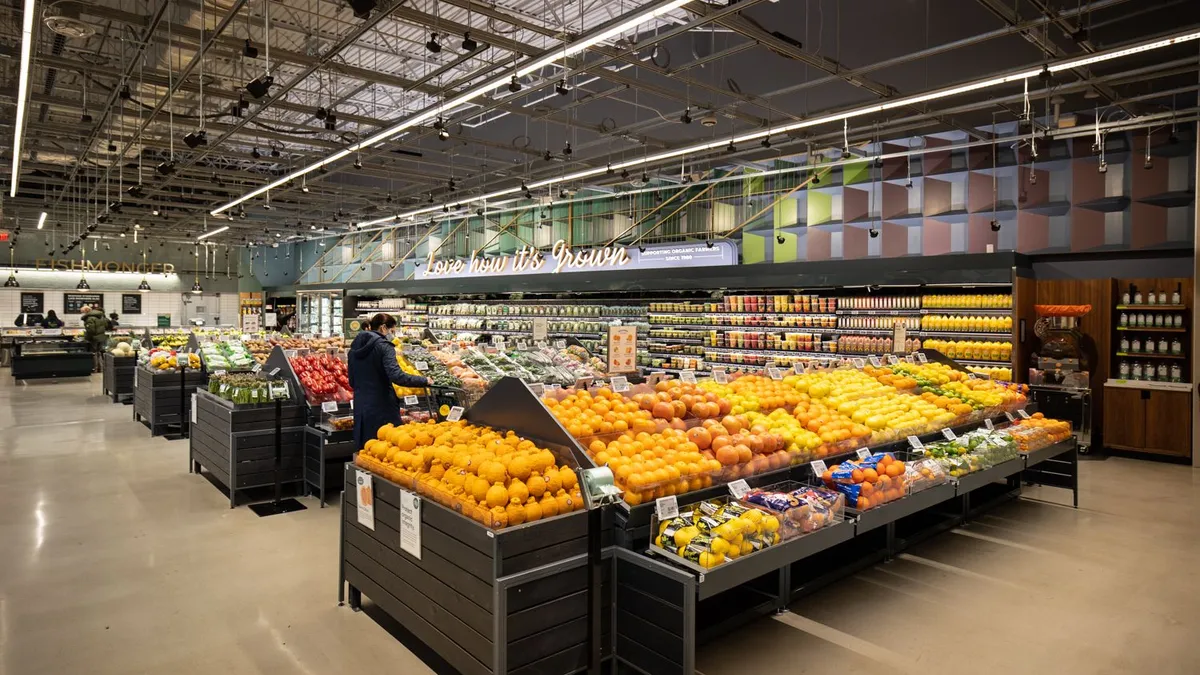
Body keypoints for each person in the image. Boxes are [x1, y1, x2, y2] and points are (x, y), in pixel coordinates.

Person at [348, 313, 430, 451]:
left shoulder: (353, 349)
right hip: (382, 407)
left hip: (361, 406)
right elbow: (396, 376)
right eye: (392, 331)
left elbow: (351, 381)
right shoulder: (385, 346)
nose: (393, 335)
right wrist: (424, 380)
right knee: (386, 452)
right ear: (383, 328)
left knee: (365, 450)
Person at [81, 305, 109, 373]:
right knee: (99, 352)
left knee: (94, 353)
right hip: (101, 337)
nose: (82, 313)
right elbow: (106, 325)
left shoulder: (89, 318)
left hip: (94, 338)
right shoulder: (100, 316)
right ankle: (101, 368)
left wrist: (87, 337)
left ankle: (95, 368)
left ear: (86, 311)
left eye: (82, 312)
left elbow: (91, 330)